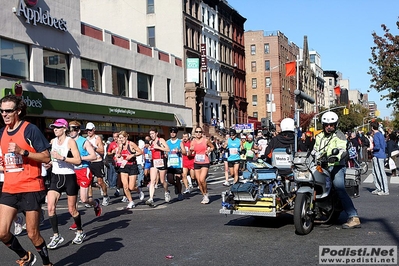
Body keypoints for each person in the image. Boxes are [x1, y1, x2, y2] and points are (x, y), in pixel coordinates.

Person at [0, 94, 53, 266]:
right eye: (1, 111)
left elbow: (46, 157)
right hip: (9, 188)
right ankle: (25, 255)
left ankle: (46, 263)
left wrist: (23, 152)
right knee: (2, 232)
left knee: (32, 233)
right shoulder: (2, 133)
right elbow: (5, 161)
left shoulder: (30, 130)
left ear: (18, 111)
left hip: (31, 187)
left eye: (8, 111)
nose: (4, 114)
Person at [313, 111, 361, 229]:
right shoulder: (319, 136)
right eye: (326, 124)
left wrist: (336, 156)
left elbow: (341, 148)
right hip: (321, 165)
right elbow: (315, 150)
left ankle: (353, 216)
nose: (329, 127)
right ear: (323, 124)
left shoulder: (339, 135)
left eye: (332, 124)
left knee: (339, 187)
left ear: (336, 125)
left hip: (336, 165)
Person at [46, 118, 86, 249]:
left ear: (64, 128)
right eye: (53, 127)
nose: (55, 130)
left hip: (69, 177)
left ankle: (80, 231)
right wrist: (49, 163)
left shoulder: (70, 142)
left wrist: (62, 158)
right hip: (56, 177)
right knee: (50, 207)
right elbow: (53, 158)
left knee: (72, 210)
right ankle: (56, 236)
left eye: (57, 127)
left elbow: (78, 160)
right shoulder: (52, 141)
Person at [67, 121, 101, 231]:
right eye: (70, 130)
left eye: (74, 129)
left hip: (83, 170)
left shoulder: (83, 141)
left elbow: (94, 156)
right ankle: (76, 222)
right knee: (73, 200)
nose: (71, 132)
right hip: (71, 171)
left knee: (84, 199)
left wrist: (80, 158)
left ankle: (95, 203)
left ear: (79, 131)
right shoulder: (67, 141)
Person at [114, 131, 144, 209]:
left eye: (122, 138)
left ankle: (138, 189)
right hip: (124, 166)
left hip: (132, 166)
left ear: (126, 137)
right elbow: (119, 155)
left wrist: (132, 155)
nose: (120, 139)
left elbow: (140, 152)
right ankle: (131, 201)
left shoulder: (131, 144)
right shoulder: (120, 145)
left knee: (131, 187)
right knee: (125, 186)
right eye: (119, 138)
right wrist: (118, 154)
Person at [86, 122, 110, 206]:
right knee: (88, 182)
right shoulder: (86, 139)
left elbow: (102, 151)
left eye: (90, 130)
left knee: (100, 182)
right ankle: (90, 199)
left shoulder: (97, 138)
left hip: (97, 162)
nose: (89, 132)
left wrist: (94, 148)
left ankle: (105, 196)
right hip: (89, 162)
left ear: (94, 130)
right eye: (87, 130)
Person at [145, 128, 170, 207]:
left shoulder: (161, 140)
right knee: (152, 181)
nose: (151, 135)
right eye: (150, 134)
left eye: (153, 133)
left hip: (161, 161)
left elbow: (167, 149)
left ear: (156, 133)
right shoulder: (151, 142)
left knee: (162, 181)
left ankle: (166, 192)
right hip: (154, 162)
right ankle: (151, 198)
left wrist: (158, 147)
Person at [190, 126, 214, 204]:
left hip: (205, 162)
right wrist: (191, 150)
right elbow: (190, 153)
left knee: (202, 179)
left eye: (200, 132)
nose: (198, 133)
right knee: (199, 181)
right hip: (197, 162)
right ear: (195, 133)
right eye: (197, 132)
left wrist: (209, 150)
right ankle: (204, 195)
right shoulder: (193, 141)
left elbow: (212, 147)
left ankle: (206, 193)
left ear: (202, 133)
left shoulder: (206, 140)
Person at [369, 121, 389, 196]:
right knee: (376, 172)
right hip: (381, 154)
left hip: (378, 155)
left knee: (380, 172)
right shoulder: (380, 134)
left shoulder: (376, 136)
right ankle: (379, 188)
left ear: (372, 128)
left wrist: (371, 149)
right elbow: (384, 145)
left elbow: (377, 146)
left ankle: (384, 189)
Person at [166, 127, 187, 201]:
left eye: (174, 132)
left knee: (178, 179)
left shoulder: (179, 142)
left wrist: (180, 150)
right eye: (171, 132)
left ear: (176, 133)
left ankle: (180, 193)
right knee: (170, 179)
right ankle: (175, 185)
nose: (172, 133)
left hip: (178, 164)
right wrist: (165, 154)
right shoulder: (167, 142)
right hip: (170, 164)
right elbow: (165, 150)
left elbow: (185, 152)